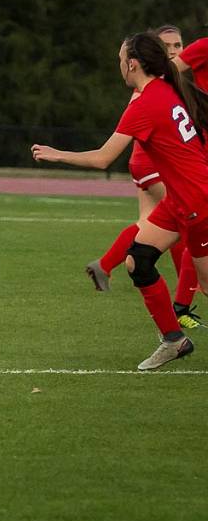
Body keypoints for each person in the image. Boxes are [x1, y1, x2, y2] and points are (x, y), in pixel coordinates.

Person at [32, 31, 208, 370]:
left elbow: (102, 158)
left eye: (120, 61)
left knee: (205, 285)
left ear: (133, 64)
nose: (119, 67)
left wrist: (57, 155)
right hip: (180, 199)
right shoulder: (167, 88)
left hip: (198, 202)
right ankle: (174, 341)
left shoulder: (146, 103)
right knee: (137, 262)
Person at [85, 25, 202, 329]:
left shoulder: (165, 90)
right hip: (168, 175)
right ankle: (177, 323)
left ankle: (178, 311)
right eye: (167, 47)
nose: (174, 52)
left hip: (192, 191)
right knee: (158, 241)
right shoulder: (159, 91)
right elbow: (104, 157)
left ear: (133, 63)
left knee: (151, 231)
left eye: (178, 45)